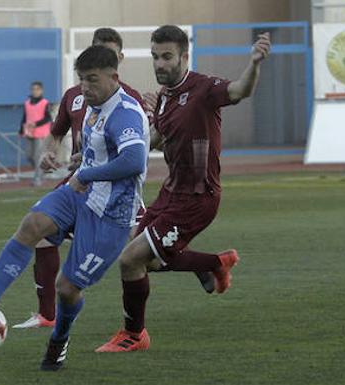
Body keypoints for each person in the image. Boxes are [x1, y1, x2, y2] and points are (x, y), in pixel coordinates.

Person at [0, 45, 150, 371]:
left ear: (114, 77)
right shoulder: (95, 105)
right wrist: (79, 161)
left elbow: (134, 160)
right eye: (81, 79)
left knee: (67, 289)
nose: (85, 87)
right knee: (32, 225)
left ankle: (59, 339)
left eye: (92, 80)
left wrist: (86, 172)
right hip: (81, 194)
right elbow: (102, 152)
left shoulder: (125, 112)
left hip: (111, 214)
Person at [95, 25, 271, 353]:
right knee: (138, 259)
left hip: (197, 198)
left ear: (184, 57)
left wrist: (255, 64)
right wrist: (138, 127)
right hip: (169, 194)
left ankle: (134, 335)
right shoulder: (164, 99)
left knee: (130, 261)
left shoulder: (203, 88)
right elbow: (155, 141)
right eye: (154, 57)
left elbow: (239, 90)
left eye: (166, 57)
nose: (159, 64)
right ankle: (213, 263)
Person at [12, 27, 155, 330]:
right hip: (78, 183)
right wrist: (51, 153)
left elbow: (138, 149)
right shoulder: (73, 96)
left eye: (109, 53)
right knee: (39, 234)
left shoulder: (128, 99)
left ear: (118, 61)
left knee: (141, 254)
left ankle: (203, 265)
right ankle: (47, 315)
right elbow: (57, 132)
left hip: (114, 189)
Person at [21, 81, 52, 186]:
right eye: (33, 89)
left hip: (41, 133)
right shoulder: (27, 103)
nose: (35, 91)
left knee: (38, 156)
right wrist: (21, 130)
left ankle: (37, 180)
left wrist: (36, 124)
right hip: (29, 133)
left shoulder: (45, 103)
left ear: (41, 90)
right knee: (29, 155)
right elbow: (25, 117)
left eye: (37, 89)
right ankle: (41, 172)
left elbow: (48, 118)